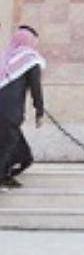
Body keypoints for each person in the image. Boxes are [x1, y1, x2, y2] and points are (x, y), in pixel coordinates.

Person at [0, 26, 45, 188]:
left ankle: (5, 176)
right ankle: (2, 178)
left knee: (23, 155)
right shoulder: (31, 60)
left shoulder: (5, 59)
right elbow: (35, 88)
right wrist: (39, 111)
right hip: (9, 114)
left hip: (6, 116)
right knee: (8, 148)